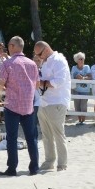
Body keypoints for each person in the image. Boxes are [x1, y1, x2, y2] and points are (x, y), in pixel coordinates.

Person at [0, 36, 40, 177]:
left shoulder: (7, 64)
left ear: (12, 46)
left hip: (12, 105)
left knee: (12, 138)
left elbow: (0, 84)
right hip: (28, 105)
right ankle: (34, 167)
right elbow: (37, 84)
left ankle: (12, 168)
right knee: (31, 137)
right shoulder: (32, 64)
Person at [34, 41, 70, 172]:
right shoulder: (45, 61)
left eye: (40, 54)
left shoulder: (59, 60)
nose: (39, 57)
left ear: (46, 49)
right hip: (44, 101)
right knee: (46, 135)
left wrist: (42, 83)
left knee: (58, 134)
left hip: (57, 102)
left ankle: (62, 164)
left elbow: (59, 81)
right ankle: (49, 161)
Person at [70, 52, 91, 126]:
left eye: (83, 59)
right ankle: (79, 121)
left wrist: (83, 78)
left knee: (84, 106)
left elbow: (90, 76)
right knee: (77, 106)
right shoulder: (74, 68)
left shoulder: (87, 67)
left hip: (85, 90)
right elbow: (71, 77)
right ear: (77, 60)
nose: (82, 60)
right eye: (80, 59)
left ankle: (83, 121)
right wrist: (76, 77)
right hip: (76, 89)